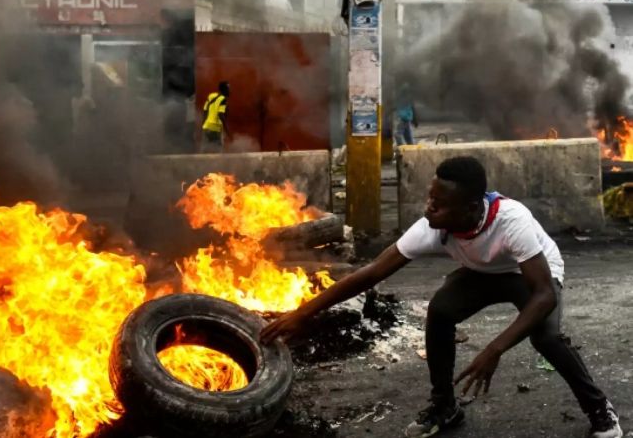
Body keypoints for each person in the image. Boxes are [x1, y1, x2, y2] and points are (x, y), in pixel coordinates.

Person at [261, 156, 622, 438]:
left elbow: (543, 295)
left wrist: (493, 349)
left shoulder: (512, 221)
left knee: (546, 337)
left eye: (440, 202)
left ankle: (599, 409)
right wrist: (302, 313)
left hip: (531, 276)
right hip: (483, 273)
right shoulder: (432, 227)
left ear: (470, 208)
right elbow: (369, 274)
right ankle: (444, 406)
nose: (429, 207)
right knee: (441, 311)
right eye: (430, 197)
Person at [201, 81, 230, 153]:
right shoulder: (223, 99)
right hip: (215, 129)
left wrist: (203, 124)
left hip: (207, 127)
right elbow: (221, 115)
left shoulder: (211, 96)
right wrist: (227, 131)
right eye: (228, 88)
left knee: (206, 150)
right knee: (217, 151)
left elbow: (205, 110)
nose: (229, 91)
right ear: (224, 90)